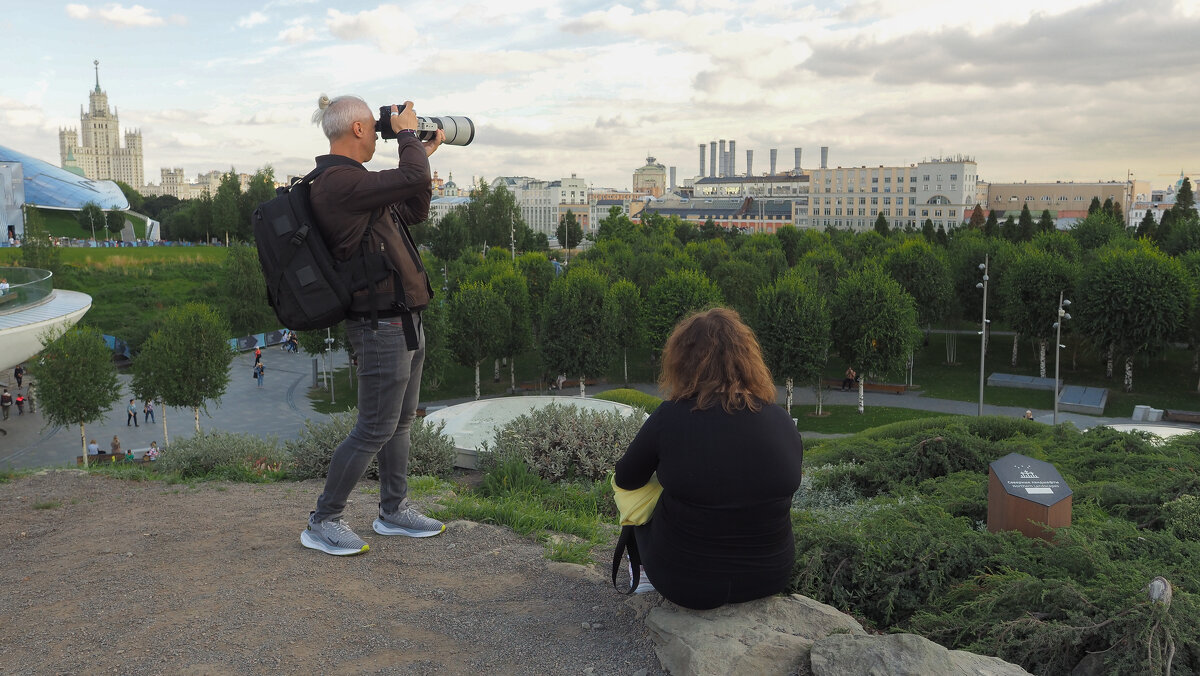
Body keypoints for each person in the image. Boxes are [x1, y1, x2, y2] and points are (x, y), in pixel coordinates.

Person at [299, 94, 446, 557]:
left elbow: (415, 208)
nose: (384, 131)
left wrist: (419, 154)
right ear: (359, 130)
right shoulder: (335, 183)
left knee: (399, 422)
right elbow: (411, 175)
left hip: (403, 316)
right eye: (378, 125)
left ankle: (393, 511)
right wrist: (409, 139)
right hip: (377, 322)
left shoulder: (360, 184)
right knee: (374, 426)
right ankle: (324, 520)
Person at [613, 307, 804, 610]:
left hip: (685, 584)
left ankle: (646, 577)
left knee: (642, 502)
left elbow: (625, 479)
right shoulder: (779, 420)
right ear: (749, 359)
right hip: (770, 577)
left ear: (683, 361)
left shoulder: (671, 417)